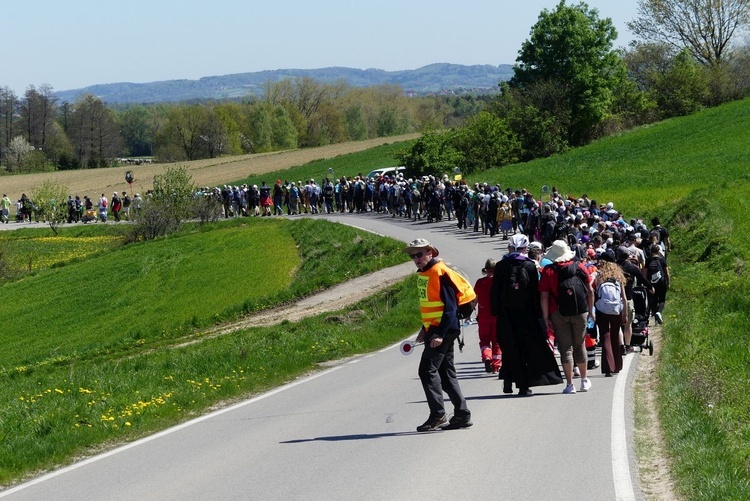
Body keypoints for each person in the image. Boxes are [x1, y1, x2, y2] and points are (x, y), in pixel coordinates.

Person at [403, 238, 474, 432]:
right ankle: (462, 414)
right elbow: (432, 306)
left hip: (444, 329)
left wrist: (439, 335)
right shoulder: (426, 273)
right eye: (413, 255)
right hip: (436, 329)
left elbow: (450, 309)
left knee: (426, 371)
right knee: (445, 373)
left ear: (430, 252)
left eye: (419, 254)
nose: (416, 258)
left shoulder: (440, 273)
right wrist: (425, 329)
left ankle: (438, 414)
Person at [491, 234, 563, 395]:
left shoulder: (501, 266)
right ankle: (523, 386)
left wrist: (495, 311)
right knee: (525, 349)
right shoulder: (530, 266)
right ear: (525, 248)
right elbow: (535, 293)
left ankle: (508, 380)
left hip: (505, 315)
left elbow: (495, 291)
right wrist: (539, 315)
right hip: (526, 315)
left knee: (509, 347)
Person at [539, 239, 595, 394]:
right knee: (580, 345)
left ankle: (570, 384)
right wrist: (590, 310)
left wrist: (546, 317)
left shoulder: (548, 271)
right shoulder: (580, 267)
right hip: (580, 311)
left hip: (557, 312)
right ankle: (584, 381)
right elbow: (590, 290)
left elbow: (544, 296)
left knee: (566, 348)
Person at [593, 253, 629, 377]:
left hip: (602, 309)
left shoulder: (599, 276)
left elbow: (594, 292)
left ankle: (608, 367)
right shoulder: (618, 276)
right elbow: (623, 298)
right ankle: (617, 365)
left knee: (605, 336)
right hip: (616, 309)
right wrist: (624, 314)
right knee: (615, 335)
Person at [474, 259, 502, 373]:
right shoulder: (500, 282)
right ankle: (496, 366)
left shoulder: (480, 282)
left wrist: (467, 315)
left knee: (484, 340)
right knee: (497, 342)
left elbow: (474, 299)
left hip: (483, 317)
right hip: (497, 317)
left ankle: (486, 357)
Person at [645, 243, 670, 324]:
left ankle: (656, 320)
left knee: (654, 300)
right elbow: (667, 273)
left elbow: (645, 273)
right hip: (662, 282)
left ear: (651, 251)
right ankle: (659, 312)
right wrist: (668, 282)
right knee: (662, 299)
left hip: (651, 283)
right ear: (658, 251)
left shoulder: (648, 260)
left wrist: (646, 284)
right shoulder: (662, 259)